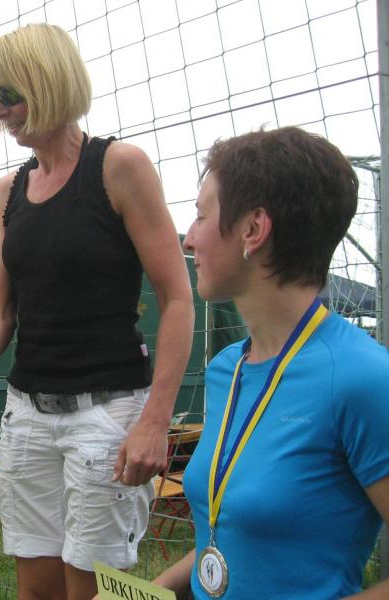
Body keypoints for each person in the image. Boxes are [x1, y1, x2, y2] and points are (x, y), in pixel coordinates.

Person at [0, 23, 194, 600]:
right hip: (27, 414)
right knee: (36, 588)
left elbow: (176, 299)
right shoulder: (8, 192)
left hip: (107, 412)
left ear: (49, 84)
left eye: (9, 95)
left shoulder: (120, 167)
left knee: (88, 588)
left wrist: (155, 420)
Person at [151, 127, 389, 599]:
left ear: (253, 230)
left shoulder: (364, 378)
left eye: (201, 215)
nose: (190, 239)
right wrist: (145, 591)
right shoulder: (226, 370)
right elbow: (230, 541)